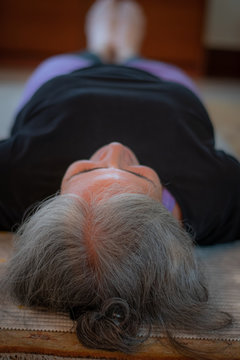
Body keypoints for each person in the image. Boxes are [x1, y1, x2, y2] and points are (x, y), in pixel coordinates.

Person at [1, 0, 239, 357]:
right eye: (137, 172)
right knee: (123, 26)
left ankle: (99, 47)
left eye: (85, 169)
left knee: (95, 35)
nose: (113, 147)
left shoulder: (13, 179)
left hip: (67, 81)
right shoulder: (216, 192)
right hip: (161, 84)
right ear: (165, 212)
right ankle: (126, 50)